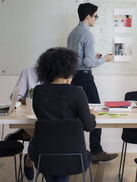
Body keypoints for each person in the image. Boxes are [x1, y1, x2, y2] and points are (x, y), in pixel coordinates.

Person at [28, 47, 97, 182]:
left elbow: (40, 116)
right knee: (62, 157)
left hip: (44, 155)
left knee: (50, 157)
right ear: (69, 69)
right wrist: (92, 115)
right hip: (72, 156)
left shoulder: (38, 91)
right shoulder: (77, 92)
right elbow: (88, 126)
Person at [67, 3, 118, 163]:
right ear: (88, 17)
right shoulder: (88, 35)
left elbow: (78, 59)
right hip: (85, 78)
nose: (96, 19)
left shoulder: (72, 33)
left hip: (73, 77)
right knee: (96, 112)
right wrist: (105, 59)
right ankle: (96, 151)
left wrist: (92, 59)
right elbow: (88, 63)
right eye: (95, 16)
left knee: (74, 115)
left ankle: (77, 150)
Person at [5, 67, 40, 180]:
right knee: (41, 133)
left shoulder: (60, 74)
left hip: (48, 118)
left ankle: (25, 136)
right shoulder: (29, 72)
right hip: (28, 116)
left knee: (44, 133)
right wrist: (32, 101)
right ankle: (30, 161)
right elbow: (15, 97)